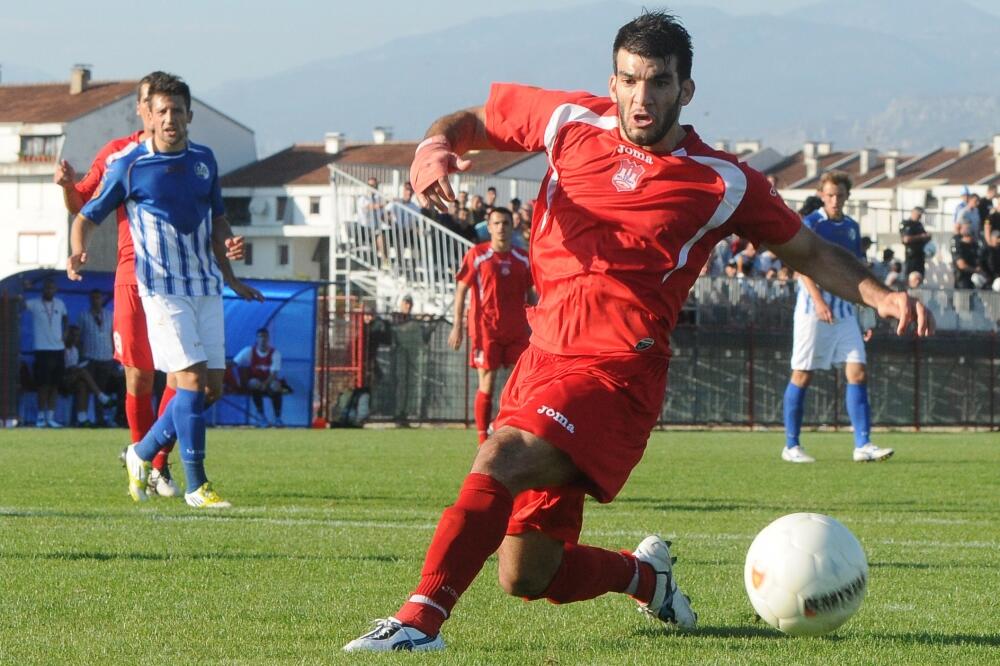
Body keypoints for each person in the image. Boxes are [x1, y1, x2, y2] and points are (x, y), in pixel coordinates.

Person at [344, 11, 933, 652]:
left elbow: (809, 251)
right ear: (613, 80)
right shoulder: (571, 120)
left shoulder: (721, 180)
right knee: (526, 573)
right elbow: (472, 122)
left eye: (657, 83)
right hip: (544, 356)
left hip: (617, 370)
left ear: (686, 89)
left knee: (501, 457)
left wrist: (879, 293)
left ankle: (418, 620)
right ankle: (643, 575)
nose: (641, 98)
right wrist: (434, 147)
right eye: (629, 80)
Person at [68, 72, 261, 508]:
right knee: (187, 380)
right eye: (162, 111)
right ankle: (197, 485)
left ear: (190, 116)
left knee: (211, 388)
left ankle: (140, 453)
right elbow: (86, 215)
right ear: (149, 118)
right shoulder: (130, 165)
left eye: (177, 110)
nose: (170, 118)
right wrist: (77, 251)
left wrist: (229, 250)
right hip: (161, 290)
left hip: (206, 286)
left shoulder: (205, 160)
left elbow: (217, 219)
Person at [55, 72, 184, 492]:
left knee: (184, 379)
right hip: (132, 277)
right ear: (142, 108)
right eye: (154, 105)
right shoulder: (119, 155)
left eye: (170, 108)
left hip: (181, 279)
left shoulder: (191, 157)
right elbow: (83, 202)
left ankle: (157, 461)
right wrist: (65, 187)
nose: (162, 115)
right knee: (139, 377)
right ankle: (141, 465)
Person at [781, 171, 896, 464]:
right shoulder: (811, 223)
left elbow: (856, 275)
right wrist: (818, 301)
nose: (835, 200)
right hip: (812, 310)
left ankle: (863, 444)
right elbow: (801, 265)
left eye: (840, 195)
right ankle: (791, 445)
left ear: (847, 196)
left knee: (858, 370)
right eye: (830, 194)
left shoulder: (852, 228)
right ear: (822, 195)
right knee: (802, 374)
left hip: (845, 310)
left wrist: (866, 314)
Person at [449, 207, 534, 443]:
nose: (501, 228)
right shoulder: (477, 254)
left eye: (505, 223)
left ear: (512, 226)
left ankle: (510, 433)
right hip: (486, 330)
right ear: (489, 227)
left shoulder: (523, 257)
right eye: (496, 223)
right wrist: (457, 325)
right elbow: (462, 290)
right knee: (487, 381)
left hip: (517, 329)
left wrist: (537, 323)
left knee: (520, 384)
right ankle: (482, 440)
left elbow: (531, 293)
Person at [23, 277, 68, 427]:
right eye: (46, 288)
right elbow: (19, 304)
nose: (49, 290)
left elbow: (66, 319)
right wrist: (25, 288)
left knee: (55, 385)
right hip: (42, 350)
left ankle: (51, 417)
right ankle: (41, 417)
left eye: (52, 288)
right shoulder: (34, 303)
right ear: (42, 290)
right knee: (43, 385)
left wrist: (65, 336)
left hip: (58, 349)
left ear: (55, 290)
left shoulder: (60, 304)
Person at [77, 289, 120, 426]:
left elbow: (114, 337)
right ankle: (88, 418)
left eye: (98, 298)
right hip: (90, 357)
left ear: (101, 299)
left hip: (106, 357)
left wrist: (116, 356)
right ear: (90, 299)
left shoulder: (110, 315)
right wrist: (80, 356)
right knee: (89, 388)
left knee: (103, 388)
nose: (96, 300)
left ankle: (101, 419)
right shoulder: (83, 316)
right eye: (94, 298)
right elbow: (79, 338)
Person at [233, 328, 287, 427]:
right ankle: (261, 417)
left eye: (265, 336)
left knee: (276, 385)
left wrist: (265, 384)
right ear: (256, 339)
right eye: (260, 336)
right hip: (256, 382)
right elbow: (235, 362)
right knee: (254, 383)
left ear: (268, 338)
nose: (263, 339)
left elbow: (274, 373)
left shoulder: (275, 353)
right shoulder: (249, 351)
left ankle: (278, 418)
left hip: (269, 382)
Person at [61, 325, 112, 426]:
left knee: (82, 385)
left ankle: (82, 418)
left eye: (78, 336)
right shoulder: (62, 349)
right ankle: (100, 396)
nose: (76, 338)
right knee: (83, 372)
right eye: (74, 336)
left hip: (73, 377)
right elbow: (62, 367)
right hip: (63, 379)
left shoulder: (75, 350)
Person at [899, 207, 930, 278]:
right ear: (913, 213)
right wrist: (921, 237)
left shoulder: (919, 225)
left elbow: (924, 236)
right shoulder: (906, 223)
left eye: (920, 215)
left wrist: (927, 237)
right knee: (912, 277)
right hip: (911, 256)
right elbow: (906, 239)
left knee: (920, 276)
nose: (920, 217)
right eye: (918, 214)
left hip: (920, 255)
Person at [950, 222, 980, 289]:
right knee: (963, 297)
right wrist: (976, 270)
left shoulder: (975, 246)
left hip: (973, 280)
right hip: (962, 280)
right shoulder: (958, 244)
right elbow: (961, 265)